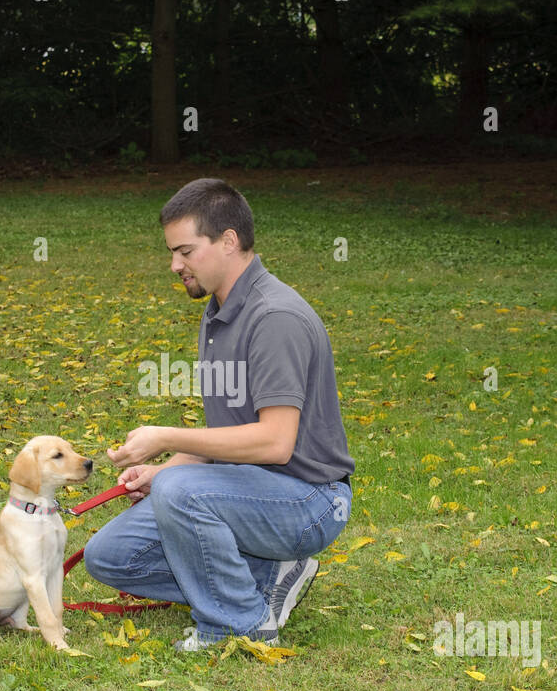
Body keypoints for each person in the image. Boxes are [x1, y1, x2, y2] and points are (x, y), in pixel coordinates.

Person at [83, 178, 354, 650]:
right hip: (252, 488)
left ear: (228, 241)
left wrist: (168, 441)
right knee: (110, 557)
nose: (174, 265)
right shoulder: (219, 311)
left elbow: (274, 442)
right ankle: (265, 574)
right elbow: (229, 434)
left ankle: (240, 622)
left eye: (185, 251)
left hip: (310, 501)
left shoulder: (274, 319)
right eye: (172, 252)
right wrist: (164, 471)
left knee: (178, 491)